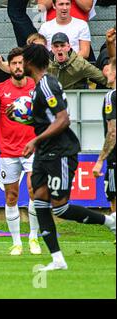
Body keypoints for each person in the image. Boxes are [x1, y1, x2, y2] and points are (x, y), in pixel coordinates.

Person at [6, 44, 115, 271]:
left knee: (61, 208)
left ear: (29, 62)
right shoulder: (38, 88)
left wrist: (34, 140)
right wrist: (22, 120)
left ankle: (110, 221)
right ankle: (57, 259)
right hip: (45, 153)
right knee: (40, 201)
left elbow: (63, 119)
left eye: (21, 61)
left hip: (61, 152)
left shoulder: (47, 84)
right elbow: (46, 121)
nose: (18, 65)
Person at [0, 47, 41, 256]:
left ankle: (33, 238)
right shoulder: (0, 90)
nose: (17, 67)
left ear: (26, 65)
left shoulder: (36, 86)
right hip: (8, 152)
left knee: (34, 190)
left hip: (32, 149)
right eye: (14, 63)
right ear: (9, 66)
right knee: (11, 196)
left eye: (21, 63)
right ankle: (16, 243)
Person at [93, 57, 116, 241]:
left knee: (114, 196)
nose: (105, 72)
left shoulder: (111, 96)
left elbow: (112, 132)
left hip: (115, 159)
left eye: (108, 69)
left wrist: (100, 160)